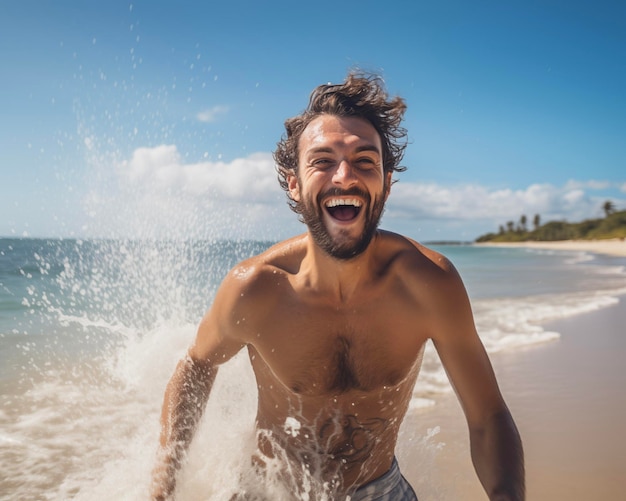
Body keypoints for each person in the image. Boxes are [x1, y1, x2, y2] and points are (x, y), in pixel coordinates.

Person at [151, 72, 525, 500]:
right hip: (269, 491)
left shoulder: (428, 284)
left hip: (379, 490)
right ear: (294, 183)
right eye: (322, 160)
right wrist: (162, 490)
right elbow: (198, 365)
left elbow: (488, 415)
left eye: (365, 161)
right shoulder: (256, 289)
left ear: (386, 182)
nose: (344, 176)